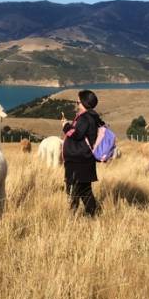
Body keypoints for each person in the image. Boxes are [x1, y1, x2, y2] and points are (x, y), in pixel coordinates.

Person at [61, 89, 104, 217]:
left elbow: (77, 134)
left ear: (84, 103)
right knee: (85, 191)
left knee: (74, 189)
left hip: (78, 161)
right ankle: (92, 215)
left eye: (78, 101)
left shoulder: (85, 118)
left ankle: (73, 216)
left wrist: (65, 126)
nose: (77, 104)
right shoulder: (92, 117)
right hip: (84, 160)